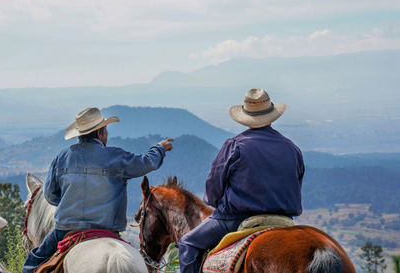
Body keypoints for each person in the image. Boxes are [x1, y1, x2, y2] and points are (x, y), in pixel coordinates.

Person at [22, 107, 174, 273]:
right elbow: (146, 163)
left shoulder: (62, 158)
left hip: (66, 229)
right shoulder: (116, 157)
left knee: (31, 264)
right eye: (106, 130)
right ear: (101, 132)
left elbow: (50, 195)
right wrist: (159, 148)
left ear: (79, 134)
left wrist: (69, 201)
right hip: (108, 228)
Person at [178, 89, 305, 273]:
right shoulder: (292, 148)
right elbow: (296, 184)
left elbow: (214, 188)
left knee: (188, 243)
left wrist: (216, 204)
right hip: (283, 219)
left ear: (246, 115)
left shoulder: (235, 145)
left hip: (235, 219)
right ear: (271, 114)